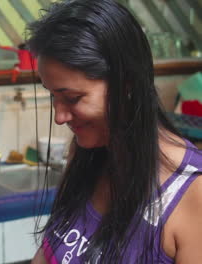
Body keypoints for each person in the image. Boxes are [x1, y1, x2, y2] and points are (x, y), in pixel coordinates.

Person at [26, 0, 202, 263]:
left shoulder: (191, 192)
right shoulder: (86, 154)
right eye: (53, 96)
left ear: (126, 84)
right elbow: (47, 253)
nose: (59, 117)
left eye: (72, 98)